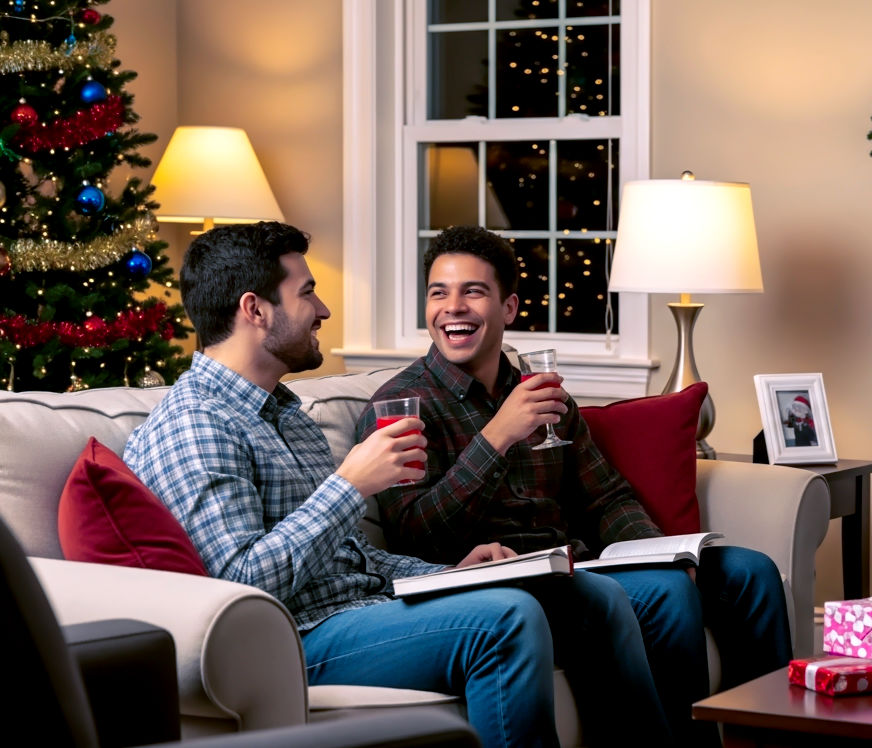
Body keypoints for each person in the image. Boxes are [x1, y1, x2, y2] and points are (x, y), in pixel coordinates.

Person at [124, 221, 667, 748]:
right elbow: (239, 584)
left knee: (585, 594)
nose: (323, 310)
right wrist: (349, 486)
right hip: (296, 636)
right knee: (506, 618)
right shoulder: (195, 422)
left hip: (359, 609)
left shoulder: (287, 415)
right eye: (307, 293)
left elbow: (355, 557)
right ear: (255, 310)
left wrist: (450, 575)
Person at [357, 225, 792, 747]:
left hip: (575, 560)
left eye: (473, 291)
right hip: (489, 581)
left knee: (750, 572)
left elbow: (605, 496)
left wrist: (660, 551)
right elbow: (413, 532)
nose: (453, 307)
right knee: (666, 592)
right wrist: (495, 438)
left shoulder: (540, 394)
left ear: (509, 307)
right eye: (438, 293)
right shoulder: (402, 407)